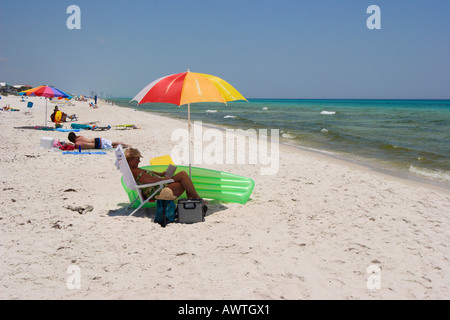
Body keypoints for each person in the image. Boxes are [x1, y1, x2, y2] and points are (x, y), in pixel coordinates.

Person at [124, 148, 206, 202]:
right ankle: (197, 198)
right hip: (157, 191)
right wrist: (166, 179)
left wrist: (161, 174)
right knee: (183, 176)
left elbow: (149, 173)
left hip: (159, 186)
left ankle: (193, 198)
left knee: (183, 178)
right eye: (137, 159)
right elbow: (155, 180)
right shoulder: (136, 172)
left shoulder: (134, 169)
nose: (139, 161)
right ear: (131, 159)